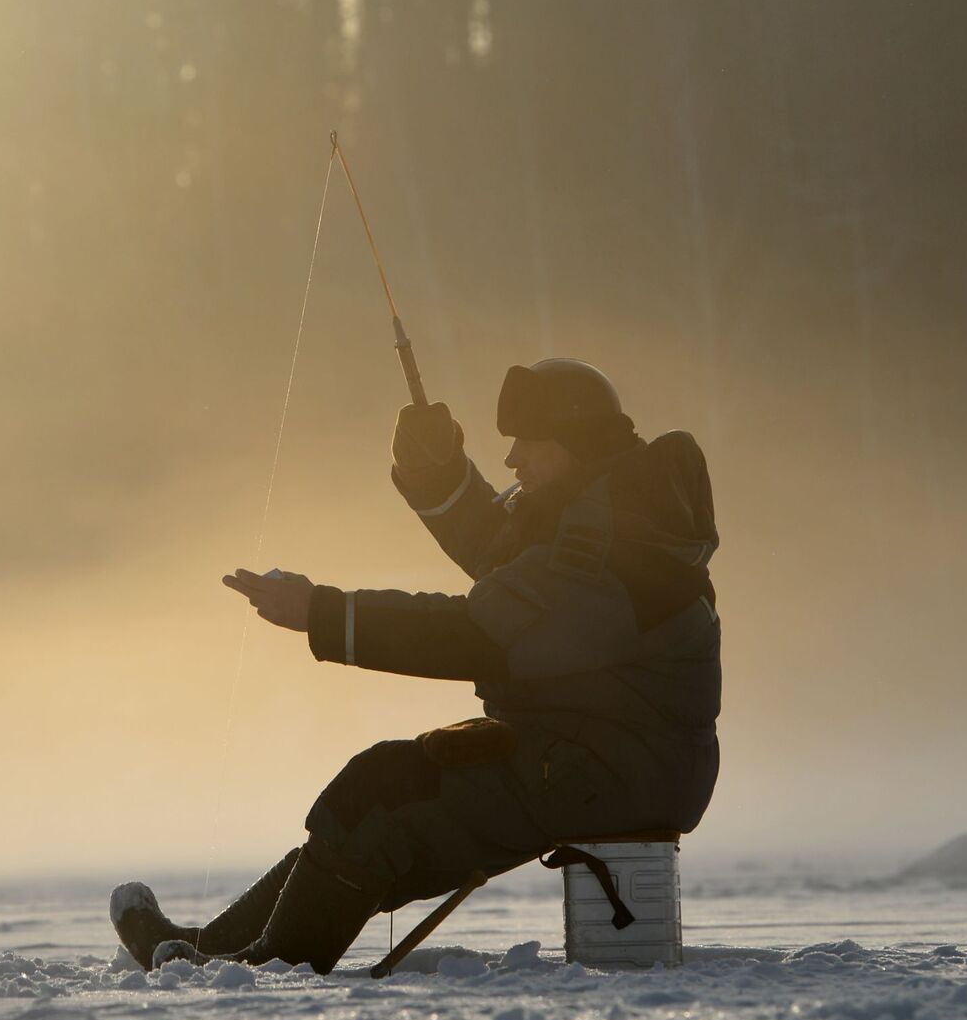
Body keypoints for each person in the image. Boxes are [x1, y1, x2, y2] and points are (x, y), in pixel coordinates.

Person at [110, 357, 721, 974]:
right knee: (380, 791)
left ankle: (266, 968)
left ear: (577, 446)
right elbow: (503, 551)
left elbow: (477, 633)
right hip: (587, 751)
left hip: (609, 767)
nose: (512, 460)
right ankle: (214, 949)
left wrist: (321, 612)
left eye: (529, 443)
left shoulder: (613, 547)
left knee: (380, 794)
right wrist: (440, 474)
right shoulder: (607, 516)